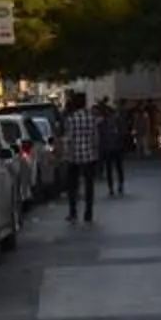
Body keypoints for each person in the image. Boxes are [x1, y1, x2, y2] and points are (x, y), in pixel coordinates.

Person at [60, 90, 103, 222]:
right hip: (89, 156)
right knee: (89, 185)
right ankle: (88, 213)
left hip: (73, 156)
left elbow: (68, 138)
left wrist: (65, 151)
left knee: (72, 186)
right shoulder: (91, 118)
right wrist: (95, 150)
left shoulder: (71, 119)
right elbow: (96, 138)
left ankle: (73, 212)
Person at [101, 102, 130, 197]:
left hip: (110, 148)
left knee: (111, 168)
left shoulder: (105, 122)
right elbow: (123, 133)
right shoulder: (117, 121)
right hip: (115, 147)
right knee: (118, 168)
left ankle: (112, 186)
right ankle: (118, 184)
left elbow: (102, 135)